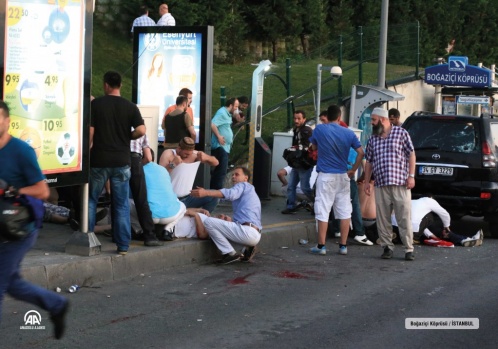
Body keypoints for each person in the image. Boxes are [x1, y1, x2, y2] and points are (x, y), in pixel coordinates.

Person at [0, 100, 69, 339]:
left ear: (7, 122)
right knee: (12, 283)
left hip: (19, 229)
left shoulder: (21, 151)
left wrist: (14, 190)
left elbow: (43, 191)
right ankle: (56, 304)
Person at [89, 71, 146, 255]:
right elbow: (141, 130)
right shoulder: (130, 106)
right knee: (121, 204)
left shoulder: (96, 104)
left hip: (99, 160)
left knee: (91, 201)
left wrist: (89, 148)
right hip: (122, 161)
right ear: (120, 85)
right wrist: (128, 136)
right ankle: (123, 246)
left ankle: (89, 240)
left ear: (106, 85)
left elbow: (90, 132)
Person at [308, 104, 363, 256]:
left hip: (326, 176)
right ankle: (343, 246)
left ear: (328, 116)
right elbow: (360, 152)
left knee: (323, 210)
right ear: (339, 117)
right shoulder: (348, 133)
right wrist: (353, 170)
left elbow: (313, 147)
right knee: (345, 211)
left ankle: (321, 246)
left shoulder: (319, 129)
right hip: (343, 175)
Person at [363, 107, 416, 261]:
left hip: (400, 183)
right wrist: (367, 182)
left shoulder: (401, 133)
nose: (371, 123)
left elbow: (411, 154)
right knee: (382, 218)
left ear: (382, 119)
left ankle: (408, 248)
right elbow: (369, 162)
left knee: (404, 217)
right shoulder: (373, 138)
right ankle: (387, 247)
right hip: (381, 183)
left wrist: (411, 176)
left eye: (373, 119)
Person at [191, 167, 261, 264]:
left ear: (246, 178)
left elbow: (229, 194)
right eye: (232, 174)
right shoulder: (250, 191)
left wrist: (205, 192)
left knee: (209, 222)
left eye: (237, 174)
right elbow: (224, 196)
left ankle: (229, 253)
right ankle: (245, 248)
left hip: (247, 231)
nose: (233, 176)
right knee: (221, 229)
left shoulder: (243, 185)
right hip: (255, 234)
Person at [392, 196, 483, 247]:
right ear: (431, 198)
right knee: (431, 217)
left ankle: (396, 236)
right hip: (413, 230)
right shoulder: (429, 201)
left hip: (397, 228)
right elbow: (445, 214)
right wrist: (447, 227)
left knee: (419, 221)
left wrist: (432, 236)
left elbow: (420, 225)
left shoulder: (411, 202)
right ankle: (463, 239)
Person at [159, 137, 219, 212]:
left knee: (213, 196)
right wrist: (173, 164)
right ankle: (187, 212)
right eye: (186, 154)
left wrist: (206, 157)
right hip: (172, 199)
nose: (188, 156)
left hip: (188, 197)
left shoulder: (193, 155)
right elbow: (160, 175)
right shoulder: (169, 154)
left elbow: (216, 162)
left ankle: (203, 218)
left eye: (190, 154)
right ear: (179, 148)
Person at [129, 134, 163, 246]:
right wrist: (139, 164)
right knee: (141, 200)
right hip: (135, 160)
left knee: (119, 201)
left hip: (118, 161)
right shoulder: (140, 131)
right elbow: (148, 157)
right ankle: (150, 236)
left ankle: (119, 235)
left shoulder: (117, 124)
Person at [143, 155, 186, 241]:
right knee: (182, 205)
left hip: (148, 215)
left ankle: (139, 230)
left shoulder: (138, 170)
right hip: (170, 215)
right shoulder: (162, 169)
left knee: (127, 202)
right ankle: (168, 230)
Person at [282, 110, 315, 214]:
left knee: (305, 188)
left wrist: (292, 150)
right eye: (295, 118)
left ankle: (318, 204)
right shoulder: (297, 130)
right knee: (291, 186)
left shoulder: (306, 130)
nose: (296, 120)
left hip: (304, 163)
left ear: (304, 119)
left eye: (299, 118)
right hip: (297, 163)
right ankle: (291, 206)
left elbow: (305, 147)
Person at [210, 97, 239, 190]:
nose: (236, 108)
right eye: (235, 106)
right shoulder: (222, 113)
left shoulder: (227, 114)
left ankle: (216, 192)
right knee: (221, 171)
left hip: (225, 147)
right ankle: (216, 192)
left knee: (221, 170)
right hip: (220, 147)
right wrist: (218, 136)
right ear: (230, 105)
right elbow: (212, 124)